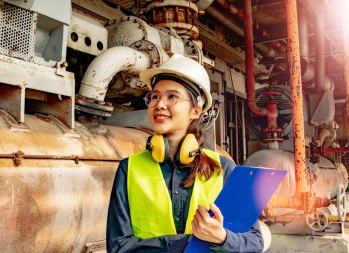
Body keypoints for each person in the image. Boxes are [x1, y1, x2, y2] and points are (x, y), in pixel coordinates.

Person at [106, 54, 263, 253]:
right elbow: (118, 247)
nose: (160, 104)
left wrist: (222, 238)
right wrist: (189, 243)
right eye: (154, 96)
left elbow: (255, 242)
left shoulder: (223, 168)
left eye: (172, 96)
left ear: (195, 111)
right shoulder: (129, 169)